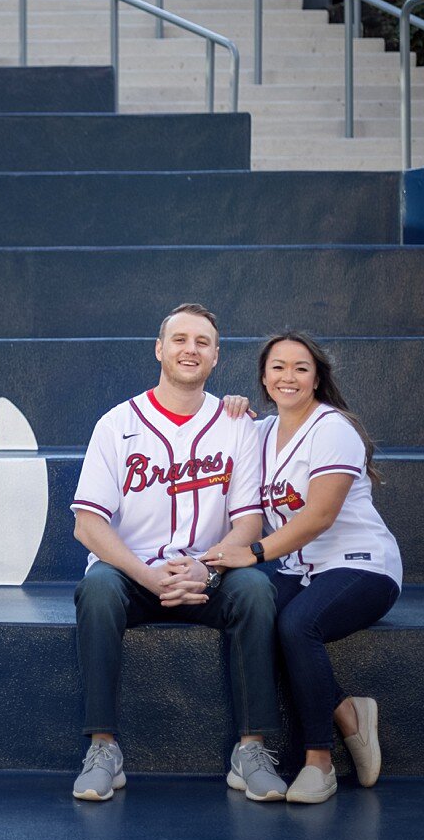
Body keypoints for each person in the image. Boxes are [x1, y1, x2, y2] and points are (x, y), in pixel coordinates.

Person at [69, 303, 285, 802]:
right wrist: (150, 578)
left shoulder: (238, 426)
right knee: (96, 589)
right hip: (135, 574)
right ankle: (103, 749)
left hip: (209, 569)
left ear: (215, 358)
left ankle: (250, 750)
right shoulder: (117, 423)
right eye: (181, 339)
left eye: (203, 342)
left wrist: (205, 568)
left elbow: (249, 521)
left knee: (255, 588)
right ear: (160, 349)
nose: (191, 349)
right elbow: (88, 524)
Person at [209, 332, 402, 805]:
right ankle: (346, 712)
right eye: (277, 367)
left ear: (317, 378)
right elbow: (209, 430)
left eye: (300, 368)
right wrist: (227, 406)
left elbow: (319, 516)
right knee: (254, 617)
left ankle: (320, 762)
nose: (288, 377)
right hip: (300, 568)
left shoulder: (332, 427)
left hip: (361, 565)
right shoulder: (260, 432)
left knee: (297, 624)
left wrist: (253, 553)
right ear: (264, 377)